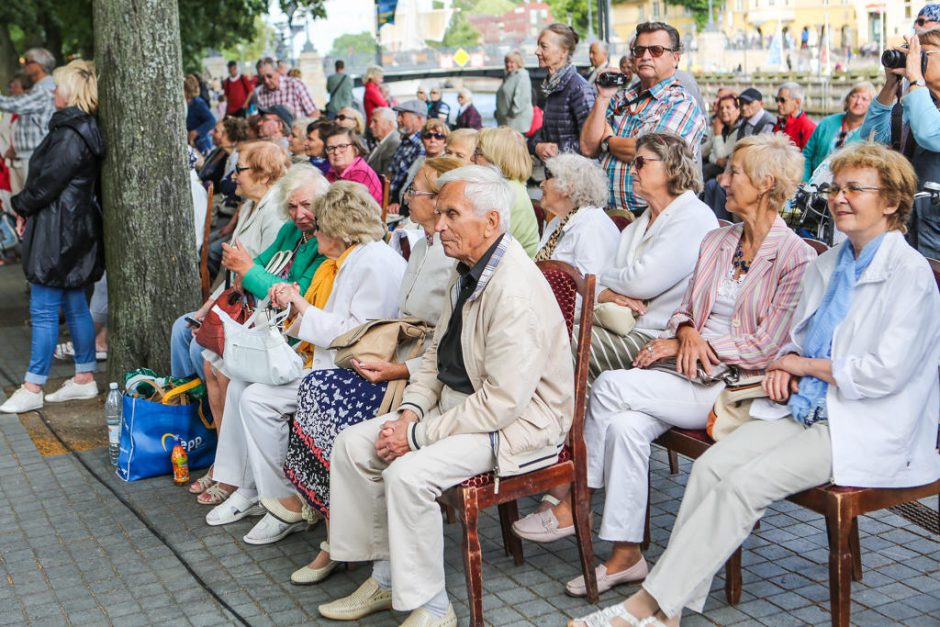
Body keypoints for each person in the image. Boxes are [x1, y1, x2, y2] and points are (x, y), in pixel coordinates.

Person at [570, 140, 940, 627]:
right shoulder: (831, 264)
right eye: (835, 187)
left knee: (742, 486)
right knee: (709, 472)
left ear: (891, 203)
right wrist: (789, 364)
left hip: (861, 422)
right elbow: (798, 340)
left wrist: (798, 366)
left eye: (855, 189)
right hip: (804, 406)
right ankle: (667, 611)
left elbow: (879, 373)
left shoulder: (909, 275)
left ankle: (646, 608)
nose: (838, 198)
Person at [519, 134, 815, 599]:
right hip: (685, 371)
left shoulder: (796, 256)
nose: (722, 179)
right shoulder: (718, 240)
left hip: (732, 387)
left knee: (611, 388)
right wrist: (685, 334)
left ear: (765, 183)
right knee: (624, 429)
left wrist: (691, 345)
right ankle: (626, 555)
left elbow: (768, 343)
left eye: (734, 172)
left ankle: (577, 499)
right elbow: (682, 308)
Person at [318, 165, 574, 626]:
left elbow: (502, 403)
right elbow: (437, 354)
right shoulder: (469, 267)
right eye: (439, 214)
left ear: (492, 222)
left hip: (518, 425)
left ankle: (434, 606)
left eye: (451, 214)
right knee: (354, 445)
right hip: (459, 407)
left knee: (408, 475)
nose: (438, 226)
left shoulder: (513, 289)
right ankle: (388, 575)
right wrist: (411, 410)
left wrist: (415, 435)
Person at [282, 156, 463, 584]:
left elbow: (451, 342)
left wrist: (400, 371)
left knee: (324, 395)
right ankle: (327, 518)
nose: (406, 198)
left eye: (415, 191)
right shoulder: (422, 245)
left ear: (439, 202)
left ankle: (337, 531)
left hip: (419, 371)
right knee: (317, 390)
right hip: (404, 358)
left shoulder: (453, 255)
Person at [204, 182, 406, 532]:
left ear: (338, 228)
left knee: (256, 399)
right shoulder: (350, 258)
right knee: (241, 384)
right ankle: (247, 487)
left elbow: (358, 335)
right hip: (332, 361)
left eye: (320, 226)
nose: (313, 233)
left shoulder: (372, 262)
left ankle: (284, 500)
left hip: (355, 374)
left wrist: (299, 308)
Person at [0, 60, 105, 413]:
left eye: (58, 86)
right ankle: (84, 377)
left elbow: (46, 184)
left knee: (44, 308)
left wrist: (19, 205)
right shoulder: (80, 129)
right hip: (71, 227)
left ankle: (33, 386)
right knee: (75, 304)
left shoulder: (70, 133)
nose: (53, 92)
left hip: (58, 229)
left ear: (71, 92)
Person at [170, 142, 292, 382]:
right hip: (234, 301)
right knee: (181, 328)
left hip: (257, 310)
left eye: (239, 168)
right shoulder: (249, 205)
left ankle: (210, 412)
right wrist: (207, 308)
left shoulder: (276, 214)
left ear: (264, 175)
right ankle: (187, 405)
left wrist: (214, 311)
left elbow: (264, 279)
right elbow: (231, 275)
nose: (233, 176)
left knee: (200, 347)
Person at [580, 22, 707, 214]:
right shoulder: (622, 97)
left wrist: (608, 140)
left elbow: (653, 155)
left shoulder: (681, 103)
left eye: (656, 50)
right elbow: (588, 147)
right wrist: (602, 97)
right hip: (607, 211)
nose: (645, 56)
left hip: (653, 215)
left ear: (675, 58)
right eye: (639, 50)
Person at [860, 30, 940, 258]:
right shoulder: (919, 103)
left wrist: (915, 78)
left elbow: (930, 134)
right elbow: (871, 138)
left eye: (923, 53)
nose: (913, 58)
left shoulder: (920, 102)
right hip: (908, 232)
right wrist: (891, 85)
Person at [534, 153, 619, 284]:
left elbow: (588, 291)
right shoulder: (559, 220)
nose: (541, 184)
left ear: (569, 187)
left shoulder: (592, 228)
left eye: (548, 177)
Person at [473, 126, 540, 257]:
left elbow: (482, 245)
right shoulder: (512, 186)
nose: (471, 158)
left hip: (514, 270)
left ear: (497, 158)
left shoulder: (505, 192)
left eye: (478, 153)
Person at [530, 23, 595, 159]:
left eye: (543, 46)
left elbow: (591, 144)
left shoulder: (579, 88)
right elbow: (547, 133)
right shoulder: (554, 85)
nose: (537, 51)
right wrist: (536, 146)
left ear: (563, 52)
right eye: (538, 45)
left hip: (574, 177)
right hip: (558, 174)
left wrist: (555, 150)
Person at [0, 48, 56, 195]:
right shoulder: (41, 88)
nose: (24, 65)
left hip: (34, 156)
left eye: (27, 62)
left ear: (39, 65)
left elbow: (12, 105)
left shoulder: (44, 89)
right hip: (30, 155)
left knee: (31, 204)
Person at [801, 82, 875, 180]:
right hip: (813, 185)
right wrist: (804, 181)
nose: (858, 102)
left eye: (864, 99)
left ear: (872, 105)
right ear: (847, 99)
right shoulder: (827, 123)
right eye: (854, 96)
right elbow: (807, 155)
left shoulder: (872, 134)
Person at [323, 126, 383, 205]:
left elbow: (348, 209)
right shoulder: (333, 171)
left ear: (355, 148)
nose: (336, 152)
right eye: (331, 148)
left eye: (342, 146)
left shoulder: (361, 172)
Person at [386, 100, 427, 207]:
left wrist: (396, 201)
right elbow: (391, 173)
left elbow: (414, 180)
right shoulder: (405, 141)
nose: (397, 119)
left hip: (399, 205)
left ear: (419, 119)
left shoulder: (422, 145)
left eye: (402, 115)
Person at [199, 117, 248, 192]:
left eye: (224, 134)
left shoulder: (237, 160)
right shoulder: (227, 156)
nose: (221, 136)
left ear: (233, 140)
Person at [703, 93, 741, 181]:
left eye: (728, 107)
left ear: (737, 111)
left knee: (707, 170)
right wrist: (714, 159)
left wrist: (717, 134)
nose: (724, 111)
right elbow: (703, 151)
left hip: (729, 170)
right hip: (715, 164)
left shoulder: (739, 130)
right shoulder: (720, 126)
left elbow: (721, 155)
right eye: (721, 108)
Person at [495, 50, 534, 135]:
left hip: (515, 122)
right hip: (506, 123)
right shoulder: (508, 76)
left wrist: (511, 114)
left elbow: (522, 99)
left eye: (512, 62)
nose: (508, 64)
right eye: (506, 62)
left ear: (518, 63)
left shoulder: (522, 75)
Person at [773, 82, 816, 149]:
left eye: (782, 100)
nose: (778, 103)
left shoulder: (808, 127)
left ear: (797, 102)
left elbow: (807, 157)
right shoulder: (779, 123)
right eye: (777, 100)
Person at [185, 74, 216, 155]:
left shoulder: (198, 103)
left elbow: (212, 120)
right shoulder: (186, 103)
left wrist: (196, 132)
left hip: (202, 144)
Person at [366, 107, 401, 176]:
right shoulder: (381, 141)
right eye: (371, 122)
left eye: (375, 121)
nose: (371, 126)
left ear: (390, 124)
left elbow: (385, 176)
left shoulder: (395, 143)